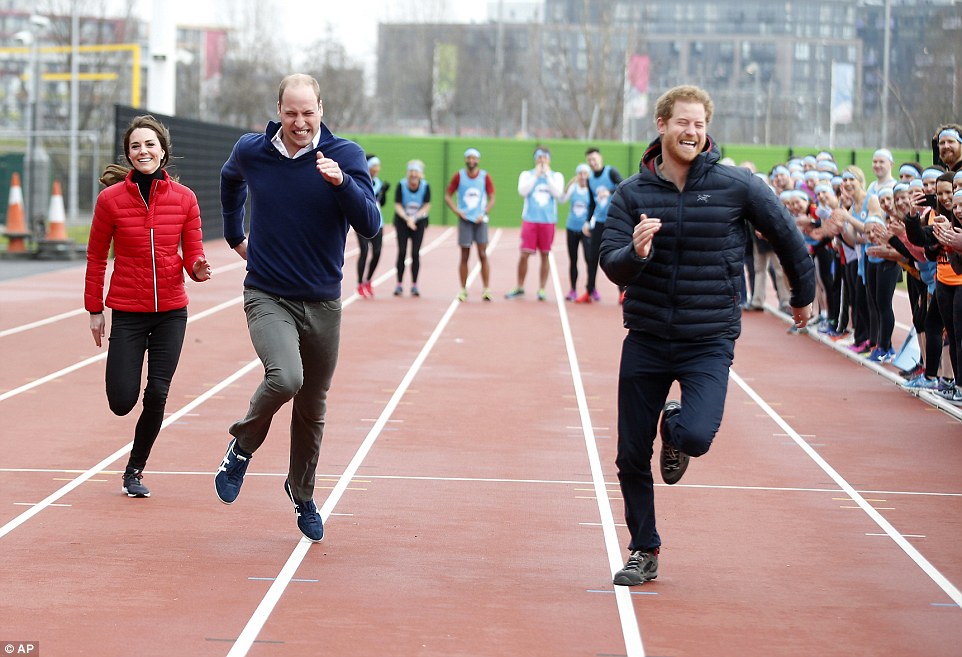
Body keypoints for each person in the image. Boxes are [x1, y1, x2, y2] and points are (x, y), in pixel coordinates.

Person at [599, 85, 815, 586]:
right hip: (647, 336)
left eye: (699, 124)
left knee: (695, 435)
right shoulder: (632, 194)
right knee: (631, 453)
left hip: (709, 339)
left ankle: (674, 428)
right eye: (683, 123)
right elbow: (611, 264)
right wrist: (635, 253)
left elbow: (785, 232)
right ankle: (644, 549)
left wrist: (801, 295)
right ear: (661, 125)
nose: (692, 131)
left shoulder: (736, 186)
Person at [215, 74, 381, 542]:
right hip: (268, 293)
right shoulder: (254, 150)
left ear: (321, 110)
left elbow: (370, 224)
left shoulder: (344, 155)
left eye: (308, 112)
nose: (300, 122)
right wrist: (234, 233)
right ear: (279, 111)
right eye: (291, 113)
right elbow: (231, 180)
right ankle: (242, 447)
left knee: (313, 404)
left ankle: (302, 492)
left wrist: (341, 183)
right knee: (286, 377)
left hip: (323, 302)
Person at [84, 114, 212, 498]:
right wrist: (95, 309)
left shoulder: (185, 199)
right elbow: (95, 258)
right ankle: (129, 438)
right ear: (128, 154)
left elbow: (193, 253)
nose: (143, 151)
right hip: (127, 310)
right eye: (136, 146)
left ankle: (134, 469)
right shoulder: (110, 201)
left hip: (172, 310)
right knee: (122, 401)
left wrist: (199, 268)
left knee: (157, 393)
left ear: (163, 152)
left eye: (150, 144)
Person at [505, 146, 565, 301]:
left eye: (544, 157)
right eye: (539, 157)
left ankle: (542, 289)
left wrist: (546, 176)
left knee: (545, 254)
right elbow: (522, 191)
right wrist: (536, 175)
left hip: (548, 221)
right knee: (524, 254)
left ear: (549, 159)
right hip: (530, 220)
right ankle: (519, 286)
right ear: (535, 159)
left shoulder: (556, 176)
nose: (542, 160)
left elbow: (558, 194)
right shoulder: (527, 175)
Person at [445, 147, 496, 302]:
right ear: (466, 160)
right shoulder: (459, 176)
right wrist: (457, 211)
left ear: (478, 160)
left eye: (474, 158)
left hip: (480, 220)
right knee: (465, 255)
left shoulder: (485, 176)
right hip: (465, 220)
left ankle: (486, 289)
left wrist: (484, 212)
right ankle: (463, 289)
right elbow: (448, 196)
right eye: (469, 158)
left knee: (482, 254)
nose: (471, 161)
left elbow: (492, 197)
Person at [580, 147, 623, 303]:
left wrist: (609, 191)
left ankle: (622, 292)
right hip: (598, 222)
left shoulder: (611, 172)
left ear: (600, 158)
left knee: (617, 257)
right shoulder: (590, 180)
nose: (592, 162)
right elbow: (592, 203)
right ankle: (589, 291)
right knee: (592, 258)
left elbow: (623, 185)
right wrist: (587, 221)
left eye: (594, 159)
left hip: (614, 221)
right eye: (589, 160)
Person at [393, 159, 431, 297]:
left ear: (421, 174)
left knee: (415, 253)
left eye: (417, 171)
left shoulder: (425, 186)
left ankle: (414, 285)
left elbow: (427, 205)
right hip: (403, 221)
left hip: (418, 222)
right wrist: (407, 218)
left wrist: (414, 218)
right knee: (402, 252)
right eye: (411, 171)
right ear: (408, 173)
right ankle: (399, 284)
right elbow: (397, 204)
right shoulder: (401, 185)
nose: (414, 174)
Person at [356, 155, 388, 298]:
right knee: (364, 251)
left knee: (377, 252)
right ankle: (359, 283)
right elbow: (363, 197)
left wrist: (383, 193)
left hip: (378, 221)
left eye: (378, 166)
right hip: (362, 219)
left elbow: (380, 202)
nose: (377, 169)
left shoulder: (379, 182)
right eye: (374, 166)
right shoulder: (361, 181)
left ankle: (368, 280)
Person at [561, 163, 592, 301]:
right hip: (572, 228)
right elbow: (562, 199)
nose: (583, 176)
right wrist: (569, 183)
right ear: (577, 175)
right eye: (580, 174)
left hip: (585, 230)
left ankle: (591, 288)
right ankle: (573, 289)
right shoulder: (573, 188)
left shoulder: (591, 190)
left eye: (585, 174)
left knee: (589, 259)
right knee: (573, 260)